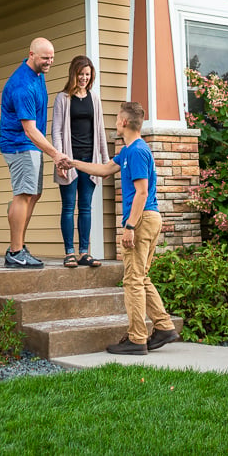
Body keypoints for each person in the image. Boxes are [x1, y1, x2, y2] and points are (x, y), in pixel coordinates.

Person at [63, 102, 179, 354]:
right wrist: (74, 163)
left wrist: (130, 226)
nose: (115, 123)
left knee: (132, 281)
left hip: (142, 219)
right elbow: (104, 169)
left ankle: (137, 339)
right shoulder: (128, 151)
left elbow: (142, 191)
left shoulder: (137, 151)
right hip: (147, 219)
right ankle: (164, 326)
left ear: (125, 122)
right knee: (140, 277)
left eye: (117, 119)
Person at [0, 38, 69, 269]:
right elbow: (29, 129)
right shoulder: (23, 86)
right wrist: (55, 154)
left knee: (32, 195)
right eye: (44, 58)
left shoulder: (38, 74)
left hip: (31, 145)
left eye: (52, 58)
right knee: (24, 194)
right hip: (19, 144)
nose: (49, 62)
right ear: (31, 54)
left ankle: (18, 246)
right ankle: (16, 251)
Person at [52, 55, 110, 268]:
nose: (84, 78)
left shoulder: (94, 98)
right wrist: (60, 160)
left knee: (85, 207)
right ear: (73, 74)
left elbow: (101, 131)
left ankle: (84, 252)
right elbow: (56, 131)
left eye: (88, 74)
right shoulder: (63, 98)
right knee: (68, 207)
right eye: (81, 74)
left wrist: (105, 161)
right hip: (69, 161)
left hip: (90, 161)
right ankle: (69, 252)